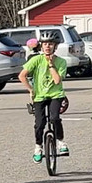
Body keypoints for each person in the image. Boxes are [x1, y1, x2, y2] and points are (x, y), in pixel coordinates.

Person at [17, 30, 69, 162]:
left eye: (50, 44)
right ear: (41, 45)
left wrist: (51, 64)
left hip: (55, 95)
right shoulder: (36, 60)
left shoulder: (61, 62)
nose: (47, 46)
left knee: (54, 118)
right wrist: (30, 89)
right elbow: (22, 76)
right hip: (39, 96)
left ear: (55, 46)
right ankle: (38, 147)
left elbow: (57, 80)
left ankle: (60, 141)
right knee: (39, 124)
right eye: (45, 44)